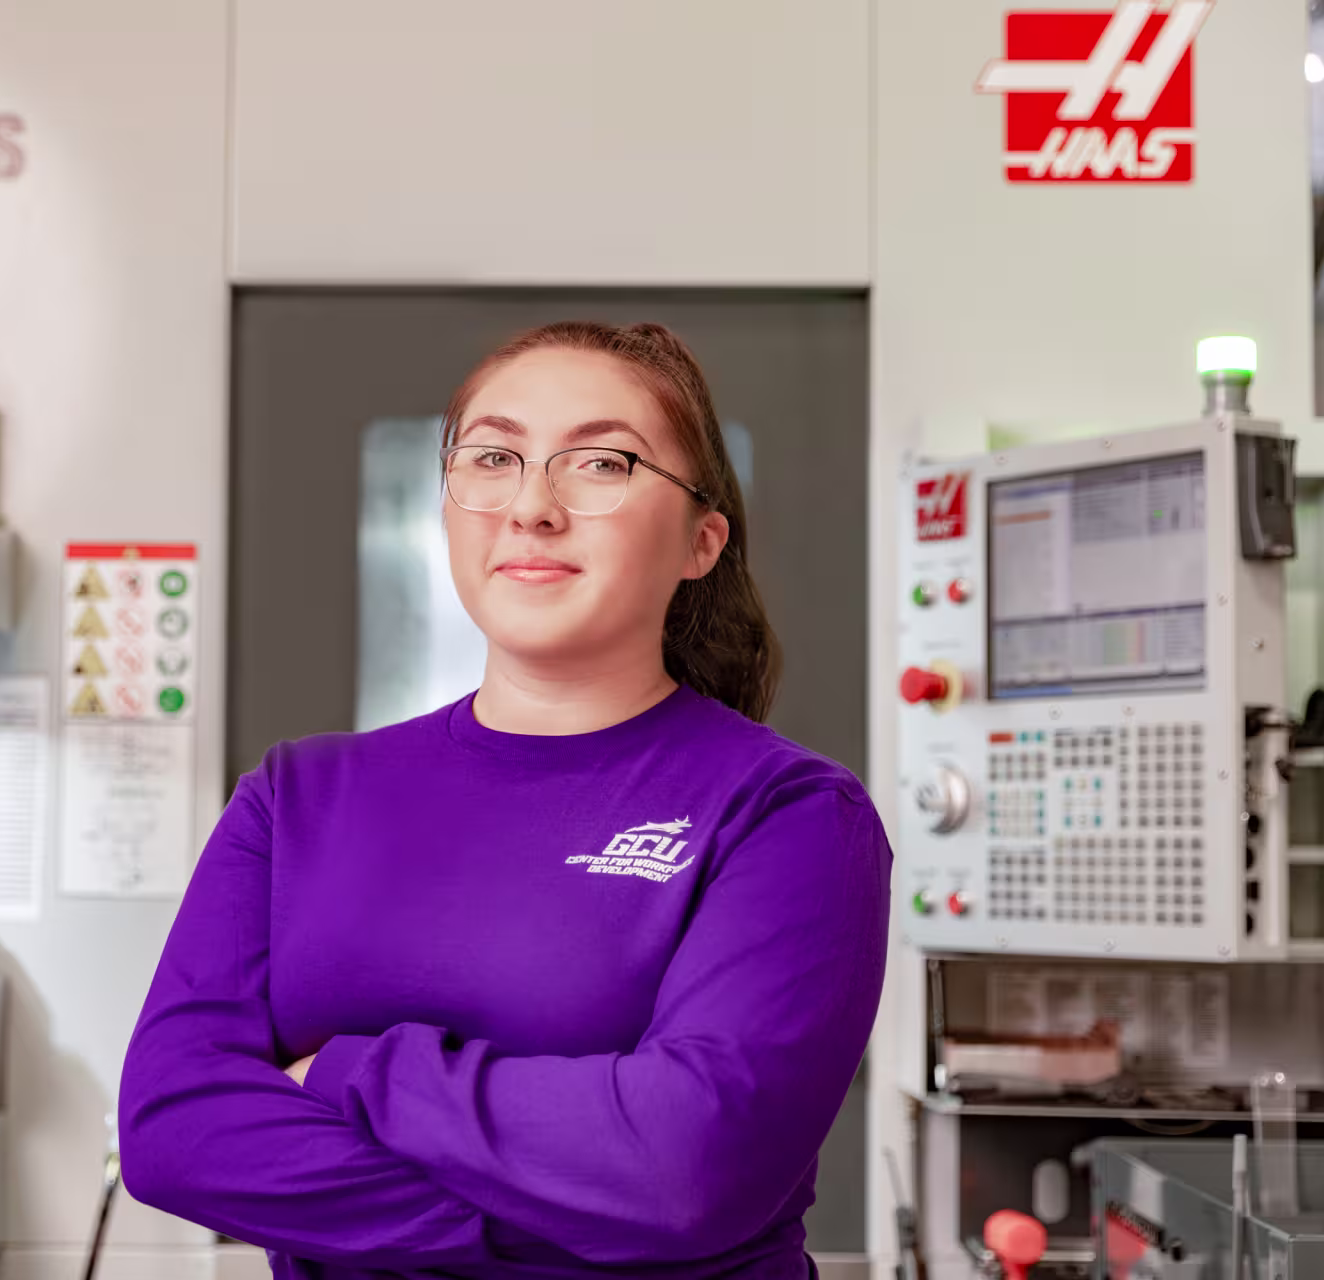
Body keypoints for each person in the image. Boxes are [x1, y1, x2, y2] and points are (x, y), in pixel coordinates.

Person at [118, 321, 892, 1279]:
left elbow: (688, 1170)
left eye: (603, 463)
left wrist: (352, 1073)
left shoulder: (790, 813)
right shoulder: (299, 797)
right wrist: (554, 1229)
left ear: (702, 541)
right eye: (493, 457)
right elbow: (172, 1132)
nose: (532, 505)